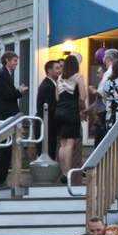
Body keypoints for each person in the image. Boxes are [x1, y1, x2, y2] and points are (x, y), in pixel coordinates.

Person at [0, 51, 29, 188]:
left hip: (7, 117)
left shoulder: (6, 75)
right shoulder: (3, 75)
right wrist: (19, 91)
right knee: (5, 149)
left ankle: (0, 179)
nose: (17, 63)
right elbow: (7, 95)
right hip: (4, 118)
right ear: (7, 60)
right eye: (14, 60)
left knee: (7, 149)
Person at [55, 55, 87, 184]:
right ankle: (67, 173)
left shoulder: (59, 79)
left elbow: (57, 97)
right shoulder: (78, 77)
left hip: (59, 112)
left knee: (62, 143)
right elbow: (83, 97)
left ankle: (63, 171)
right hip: (71, 111)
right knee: (70, 144)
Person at [36, 59, 61, 160]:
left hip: (49, 125)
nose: (60, 70)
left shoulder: (51, 84)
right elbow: (52, 106)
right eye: (57, 68)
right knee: (48, 152)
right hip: (47, 125)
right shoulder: (48, 86)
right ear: (50, 71)